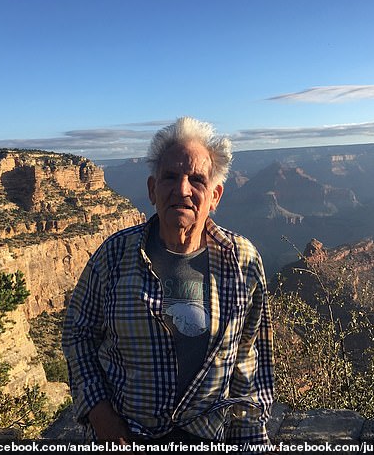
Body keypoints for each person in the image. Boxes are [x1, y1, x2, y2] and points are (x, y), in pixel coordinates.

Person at [62, 117, 274, 451]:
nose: (183, 190)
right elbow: (78, 332)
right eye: (170, 177)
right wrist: (101, 416)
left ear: (215, 195)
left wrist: (251, 437)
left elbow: (248, 355)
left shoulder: (243, 261)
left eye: (197, 179)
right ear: (151, 189)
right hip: (126, 437)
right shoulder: (114, 256)